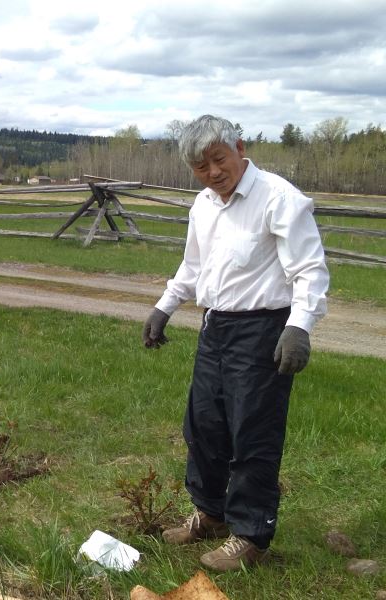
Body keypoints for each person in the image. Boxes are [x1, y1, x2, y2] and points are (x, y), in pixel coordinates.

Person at [142, 114, 329, 572]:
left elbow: (309, 270)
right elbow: (193, 267)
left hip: (263, 330)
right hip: (215, 329)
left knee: (253, 433)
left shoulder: (279, 199)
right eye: (201, 167)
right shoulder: (203, 205)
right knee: (205, 426)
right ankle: (210, 513)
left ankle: (251, 535)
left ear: (239, 148)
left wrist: (299, 326)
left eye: (219, 159)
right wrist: (165, 306)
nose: (213, 173)